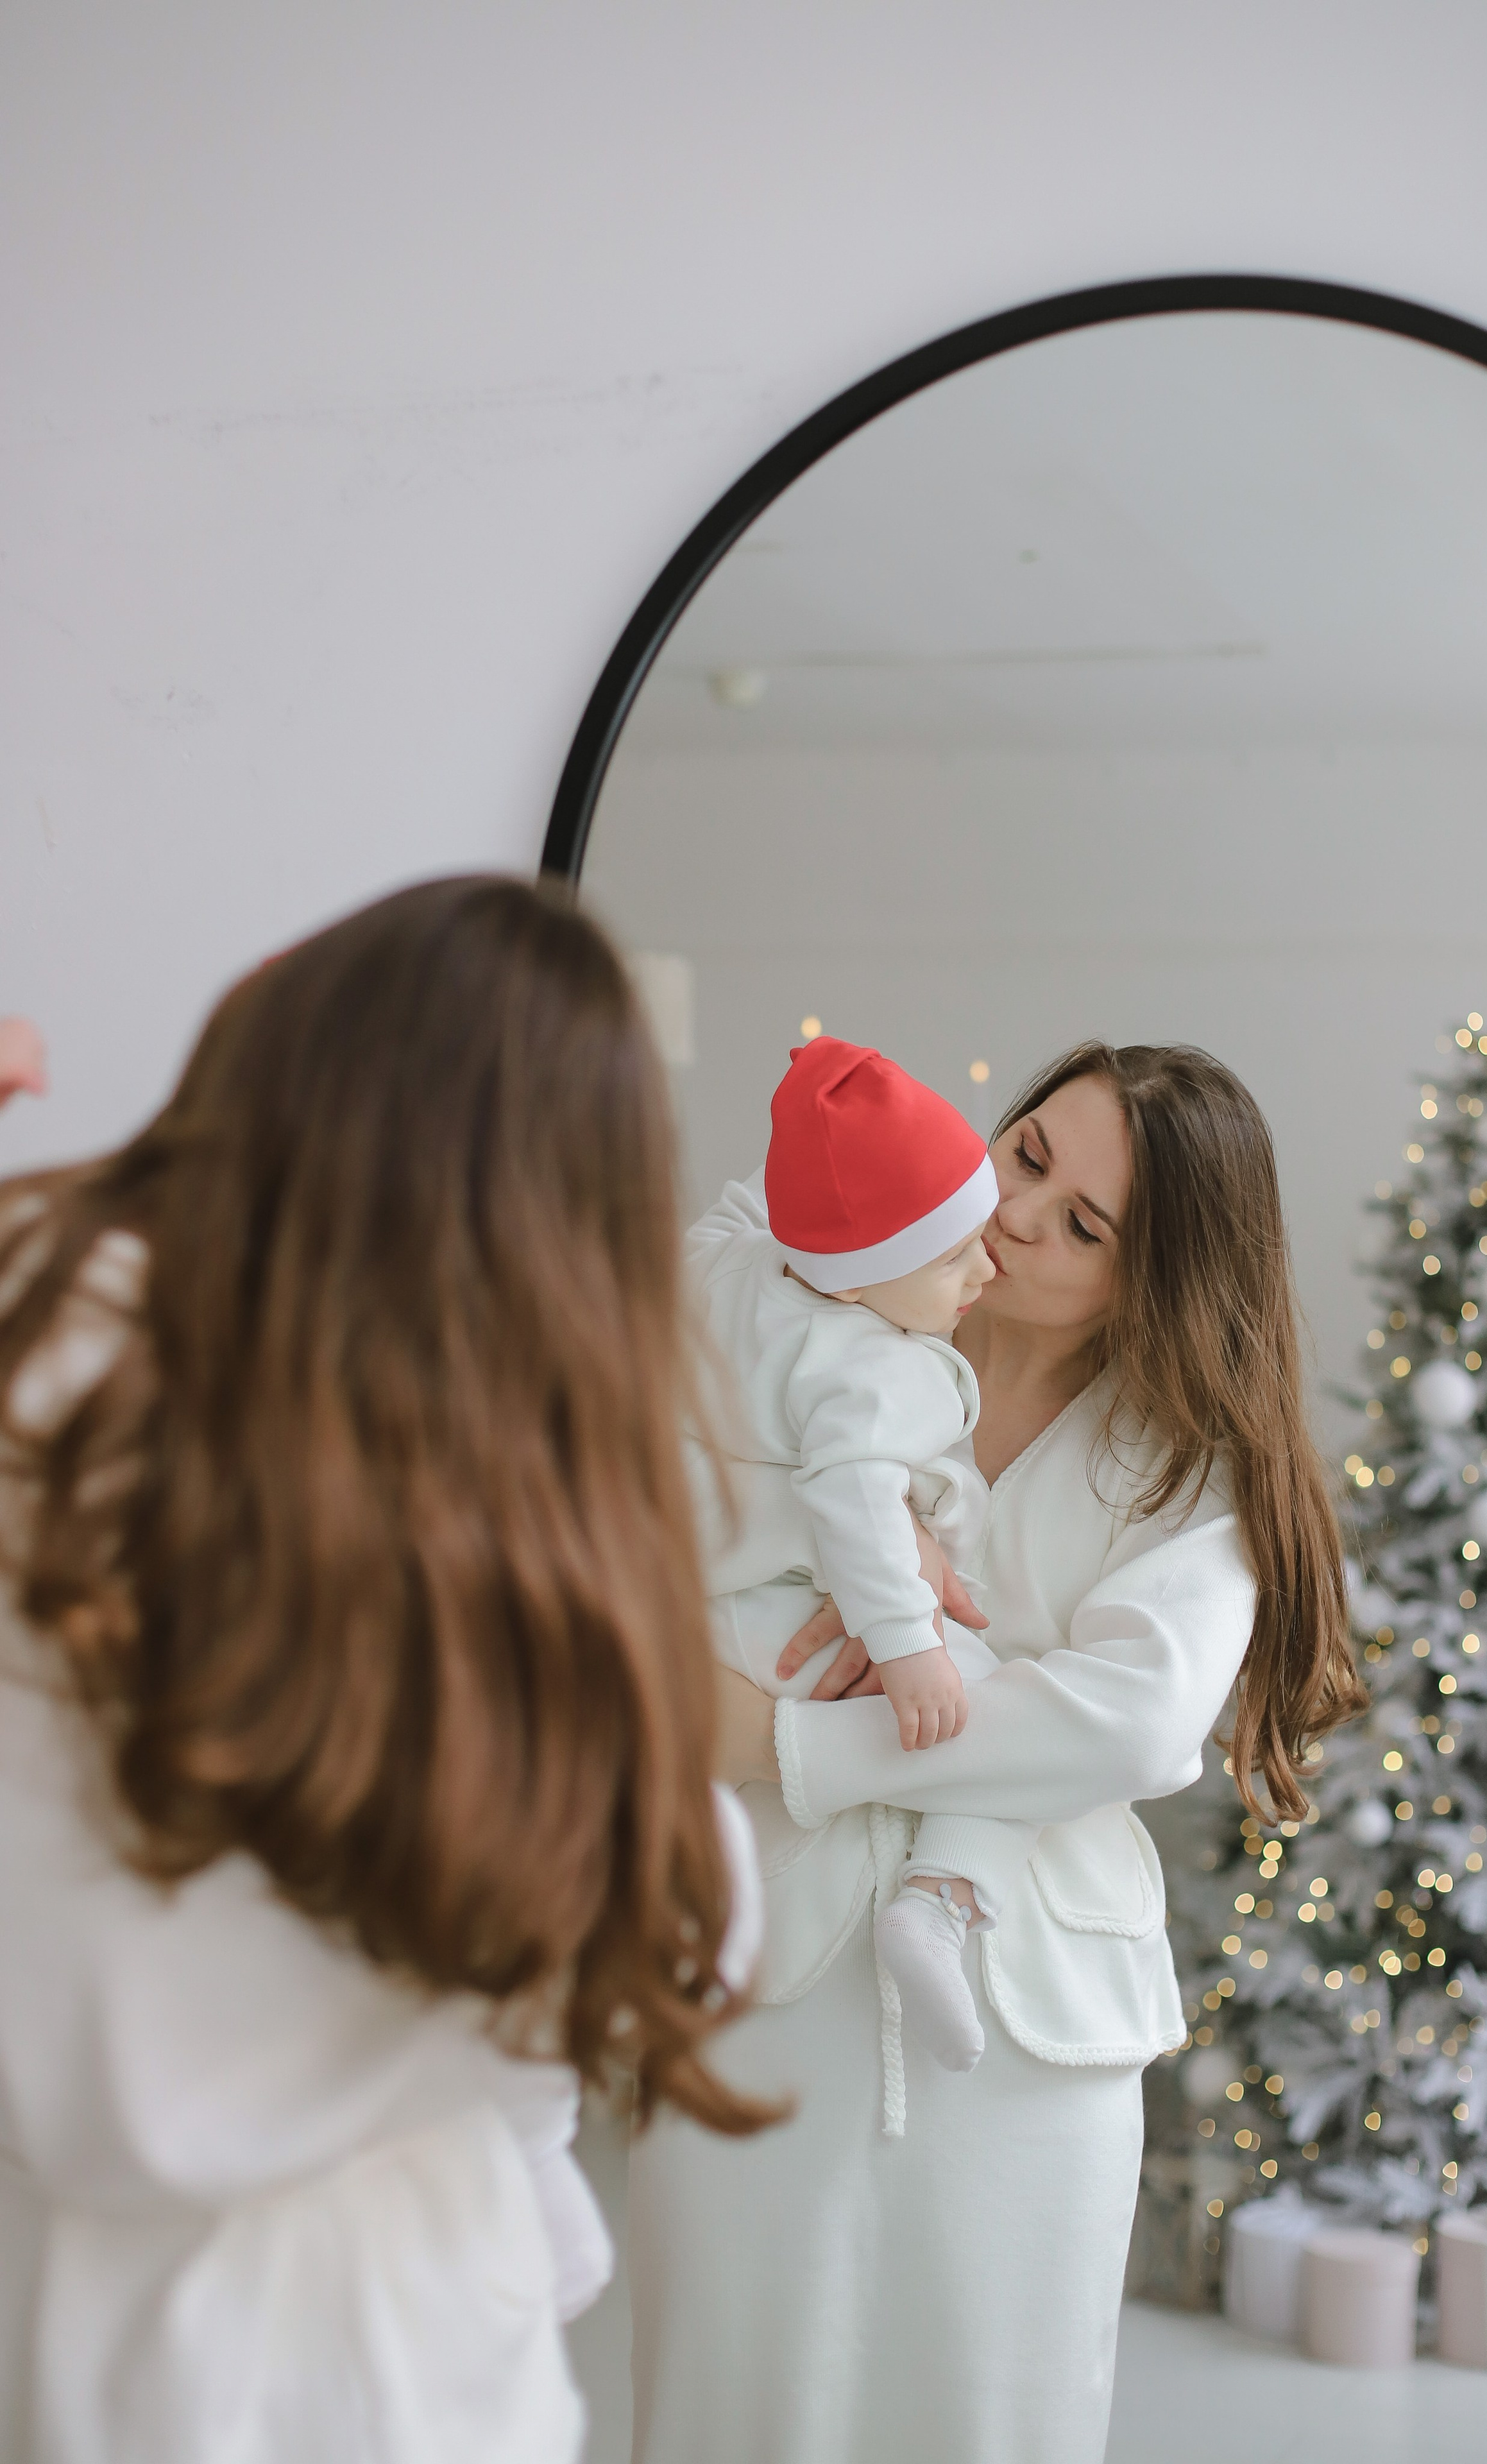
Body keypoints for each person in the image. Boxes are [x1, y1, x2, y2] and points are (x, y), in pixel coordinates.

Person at [0, 879, 766, 2464]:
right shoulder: (531, 1580)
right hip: (408, 2351)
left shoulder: (63, 1395)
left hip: (134, 2328)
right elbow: (694, 1929)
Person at [629, 1039, 1366, 2464]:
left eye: (1083, 1224)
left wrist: (790, 1741)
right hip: (755, 1972)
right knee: (724, 2412)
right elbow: (633, 1435)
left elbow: (1133, 1720)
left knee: (985, 2424)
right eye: (1024, 1154)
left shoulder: (1188, 1467)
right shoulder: (813, 1285)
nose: (1017, 1216)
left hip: (1029, 2029)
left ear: (1152, 1280)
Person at [696, 1034, 1054, 2076]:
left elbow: (750, 1209)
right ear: (855, 1285)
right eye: (952, 1258)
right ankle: (940, 1904)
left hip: (708, 1606)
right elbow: (853, 1496)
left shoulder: (726, 1268)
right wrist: (907, 1645)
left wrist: (840, 1150)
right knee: (1005, 1715)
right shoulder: (866, 1365)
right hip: (785, 1624)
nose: (985, 1265)